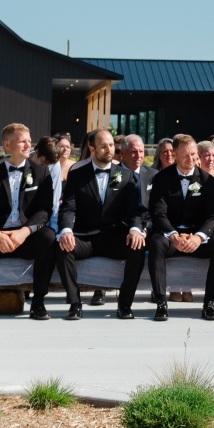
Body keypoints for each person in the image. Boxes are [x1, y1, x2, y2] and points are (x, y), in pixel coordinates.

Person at [0, 123, 59, 322]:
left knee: (49, 236)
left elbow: (44, 211)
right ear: (7, 145)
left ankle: (38, 303)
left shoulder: (41, 172)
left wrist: (24, 232)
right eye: (22, 141)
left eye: (29, 140)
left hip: (25, 238)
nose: (28, 145)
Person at [57, 128, 147, 319]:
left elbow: (133, 211)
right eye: (103, 146)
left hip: (114, 236)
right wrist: (66, 230)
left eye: (111, 146)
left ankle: (124, 304)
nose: (109, 150)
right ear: (92, 149)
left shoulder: (127, 176)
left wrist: (135, 229)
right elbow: (68, 208)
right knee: (63, 247)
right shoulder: (77, 174)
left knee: (138, 247)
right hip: (85, 236)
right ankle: (74, 303)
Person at [146, 134, 214, 321]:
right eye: (185, 155)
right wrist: (173, 235)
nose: (190, 159)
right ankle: (161, 302)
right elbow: (158, 213)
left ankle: (209, 302)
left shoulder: (206, 180)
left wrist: (198, 237)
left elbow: (212, 215)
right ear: (175, 155)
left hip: (196, 236)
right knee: (156, 243)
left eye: (193, 154)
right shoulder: (161, 179)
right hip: (170, 235)